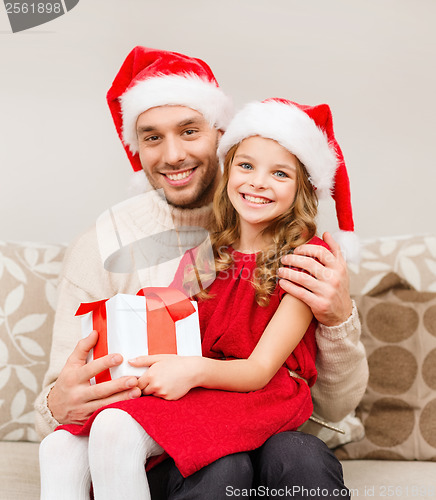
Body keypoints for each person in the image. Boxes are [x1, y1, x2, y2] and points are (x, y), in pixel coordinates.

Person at [35, 47, 368, 499]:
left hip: (260, 404)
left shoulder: (305, 260)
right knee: (80, 442)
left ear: (219, 136)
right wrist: (70, 397)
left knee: (298, 456)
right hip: (193, 401)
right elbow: (168, 313)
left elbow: (309, 393)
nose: (173, 154)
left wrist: (338, 316)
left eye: (189, 131)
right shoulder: (205, 252)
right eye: (152, 137)